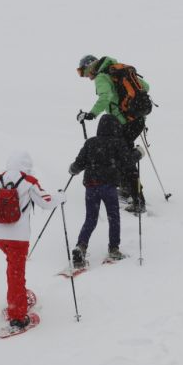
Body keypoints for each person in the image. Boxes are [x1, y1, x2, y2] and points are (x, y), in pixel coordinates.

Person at [0, 152, 62, 331]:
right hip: (18, 237)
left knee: (14, 268)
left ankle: (17, 297)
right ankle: (17, 317)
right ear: (27, 165)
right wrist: (61, 197)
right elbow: (46, 203)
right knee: (15, 273)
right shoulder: (29, 181)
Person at [76, 54, 151, 214]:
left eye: (85, 72)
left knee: (124, 158)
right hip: (137, 120)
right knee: (122, 155)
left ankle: (138, 200)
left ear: (91, 67)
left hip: (124, 122)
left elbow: (106, 96)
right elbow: (146, 86)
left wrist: (92, 114)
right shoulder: (118, 71)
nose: (87, 77)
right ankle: (127, 189)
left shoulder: (102, 77)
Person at [68, 114, 138, 269]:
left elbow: (79, 164)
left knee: (90, 218)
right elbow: (128, 163)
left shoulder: (91, 142)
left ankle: (81, 246)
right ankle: (114, 249)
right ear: (115, 127)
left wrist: (73, 168)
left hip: (91, 186)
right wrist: (138, 154)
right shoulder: (117, 143)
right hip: (108, 186)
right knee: (113, 217)